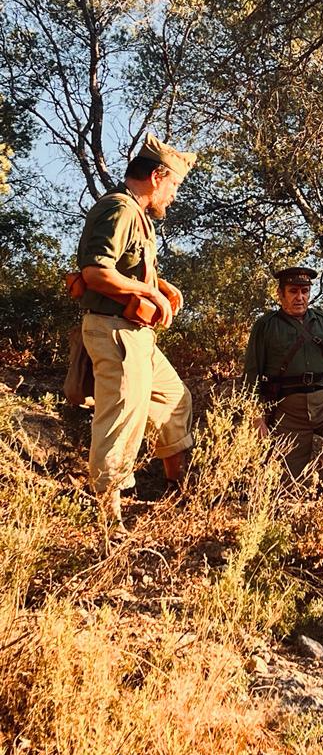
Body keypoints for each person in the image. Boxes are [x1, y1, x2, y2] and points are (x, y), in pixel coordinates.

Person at [77, 134, 196, 531]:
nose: (174, 195)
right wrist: (149, 292)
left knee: (174, 399)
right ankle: (108, 524)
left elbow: (124, 269)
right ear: (157, 176)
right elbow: (95, 273)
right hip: (116, 333)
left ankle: (177, 493)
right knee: (120, 421)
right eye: (173, 184)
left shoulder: (138, 215)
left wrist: (158, 284)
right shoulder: (120, 208)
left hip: (137, 334)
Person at [243, 267, 323, 478]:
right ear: (280, 294)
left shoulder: (322, 320)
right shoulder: (266, 325)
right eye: (293, 291)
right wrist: (256, 419)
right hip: (288, 410)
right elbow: (251, 374)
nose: (300, 297)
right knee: (288, 479)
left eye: (305, 291)